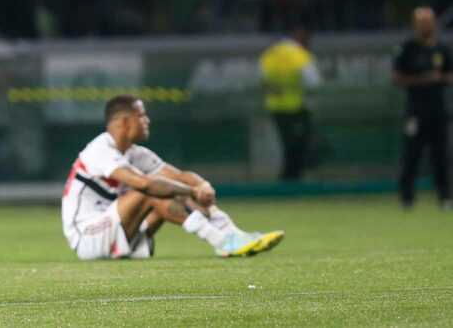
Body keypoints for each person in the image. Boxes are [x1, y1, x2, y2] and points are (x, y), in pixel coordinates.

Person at [61, 95, 284, 261]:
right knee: (152, 190)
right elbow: (146, 184)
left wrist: (202, 186)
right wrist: (190, 191)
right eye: (141, 115)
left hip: (115, 229)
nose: (147, 120)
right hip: (87, 237)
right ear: (124, 123)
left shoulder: (135, 153)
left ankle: (233, 234)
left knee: (168, 186)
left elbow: (180, 176)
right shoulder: (100, 149)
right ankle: (221, 242)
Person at [392, 7, 453, 210]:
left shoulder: (443, 49)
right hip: (415, 112)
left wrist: (441, 78)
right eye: (422, 21)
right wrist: (423, 80)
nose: (426, 24)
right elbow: (396, 78)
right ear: (414, 24)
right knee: (411, 156)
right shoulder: (407, 48)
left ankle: (445, 197)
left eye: (429, 20)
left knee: (441, 157)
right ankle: (406, 198)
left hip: (438, 111)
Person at [258, 27, 323, 181]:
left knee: (288, 146)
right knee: (300, 146)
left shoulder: (270, 53)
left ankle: (288, 180)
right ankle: (292, 180)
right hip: (297, 108)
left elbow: (262, 78)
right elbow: (314, 82)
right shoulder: (300, 55)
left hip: (276, 108)